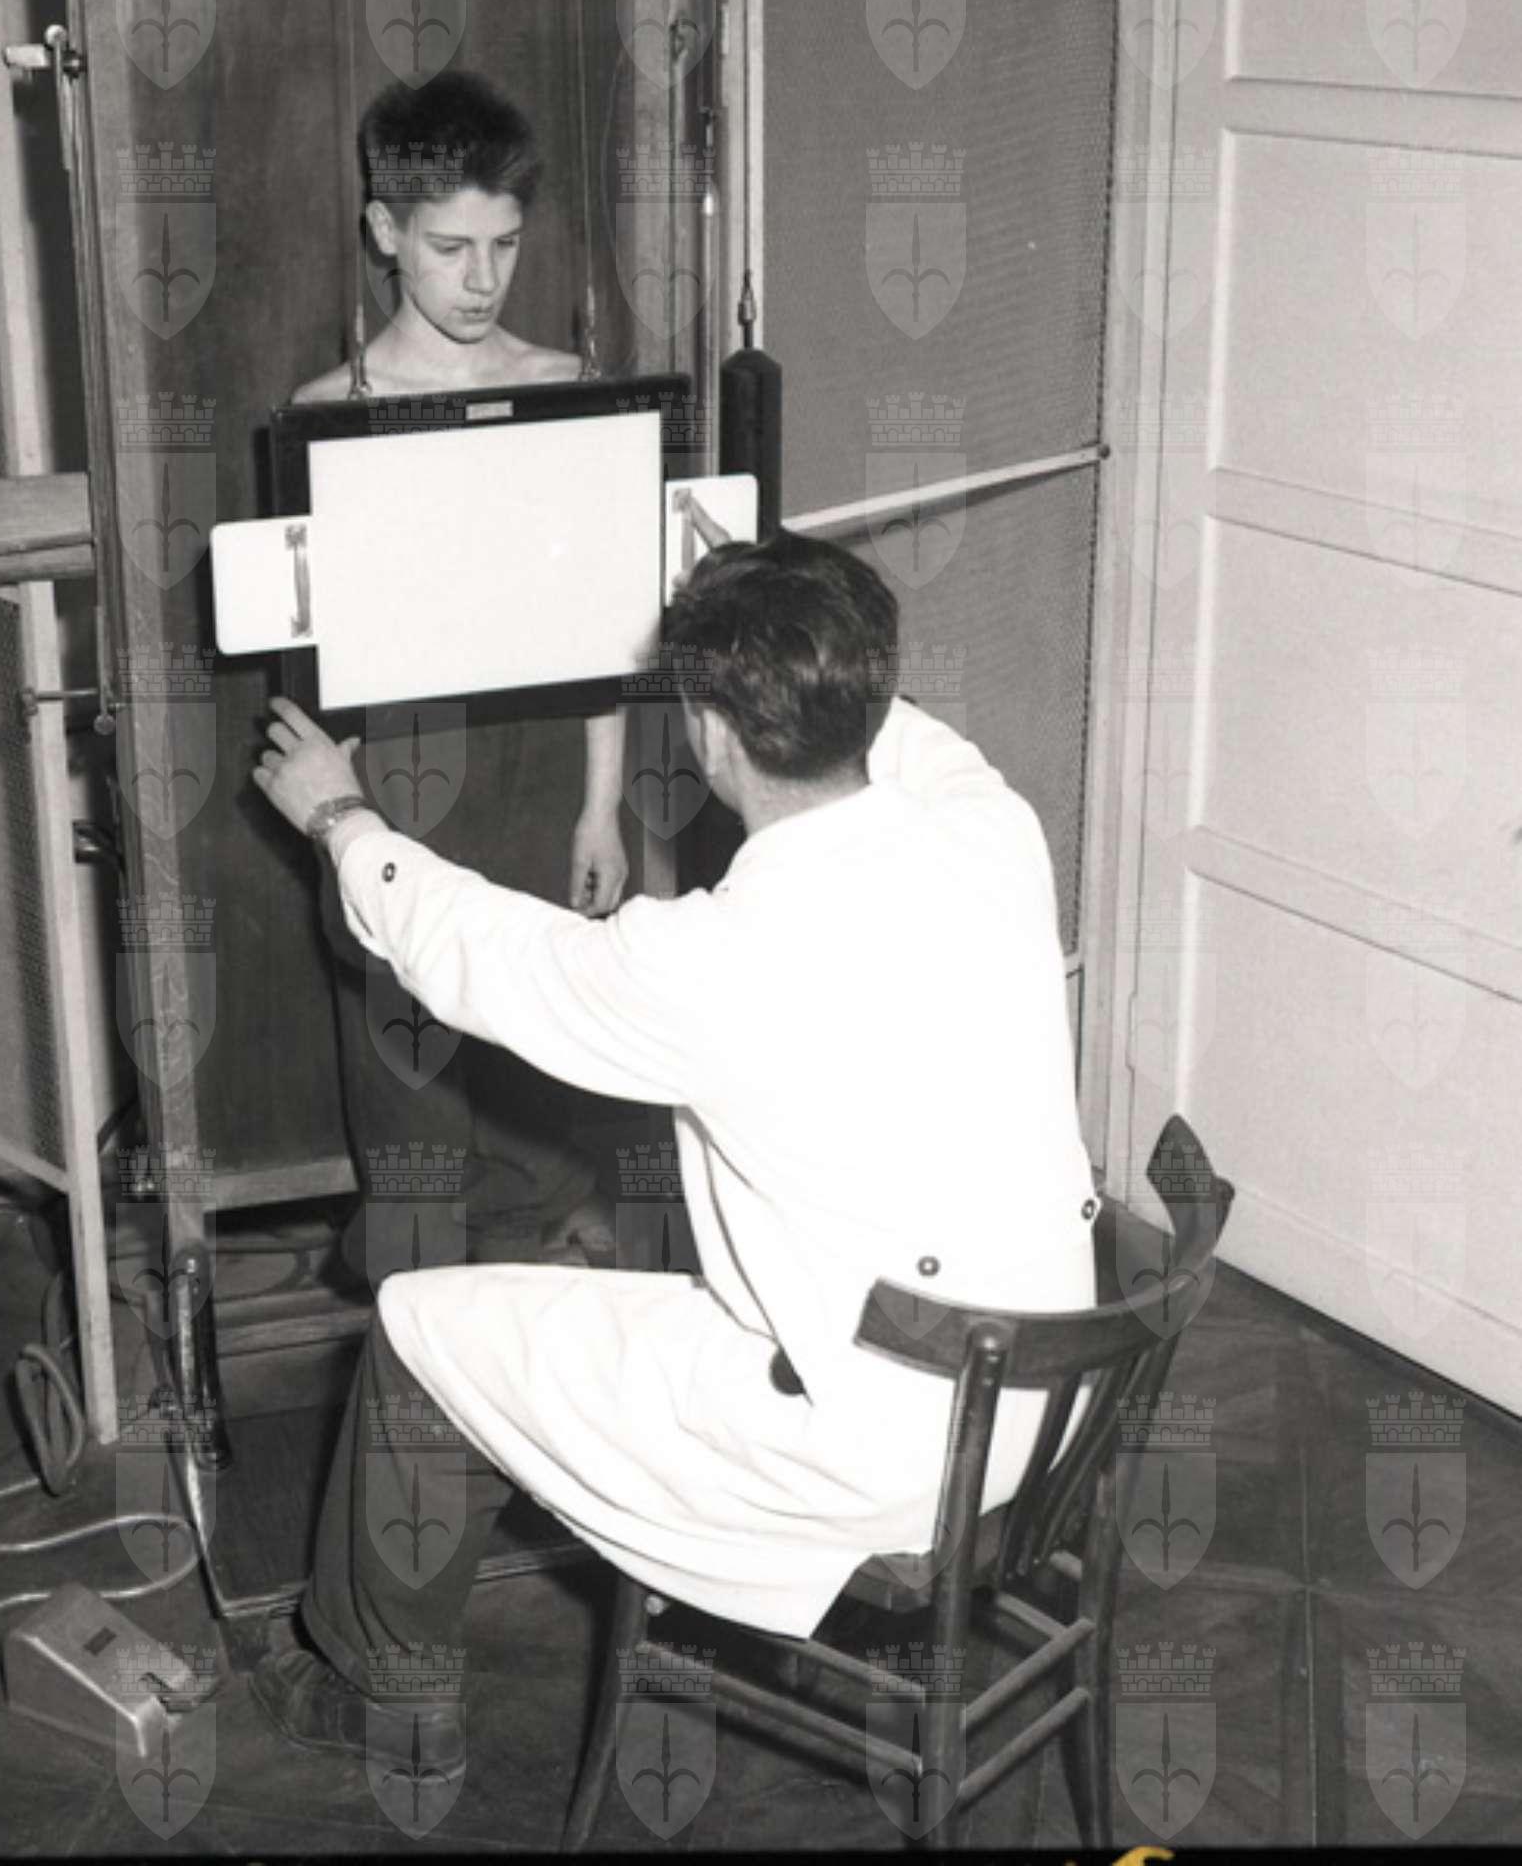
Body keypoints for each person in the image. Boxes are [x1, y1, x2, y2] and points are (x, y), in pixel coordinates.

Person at [245, 534, 1100, 1778]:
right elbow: (909, 732)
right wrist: (773, 613)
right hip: (1041, 1410)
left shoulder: (709, 961)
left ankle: (389, 1696)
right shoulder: (993, 831)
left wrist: (339, 815)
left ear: (708, 730)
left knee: (420, 1327)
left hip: (865, 1452)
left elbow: (476, 949)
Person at [292, 71, 633, 1276]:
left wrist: (601, 803)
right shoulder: (326, 413)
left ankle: (548, 1294)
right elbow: (316, 656)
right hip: (397, 774)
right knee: (409, 1058)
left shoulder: (566, 387)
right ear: (386, 232)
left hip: (537, 770)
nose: (482, 280)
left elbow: (607, 623)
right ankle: (428, 1302)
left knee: (535, 1056)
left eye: (505, 245)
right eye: (450, 248)